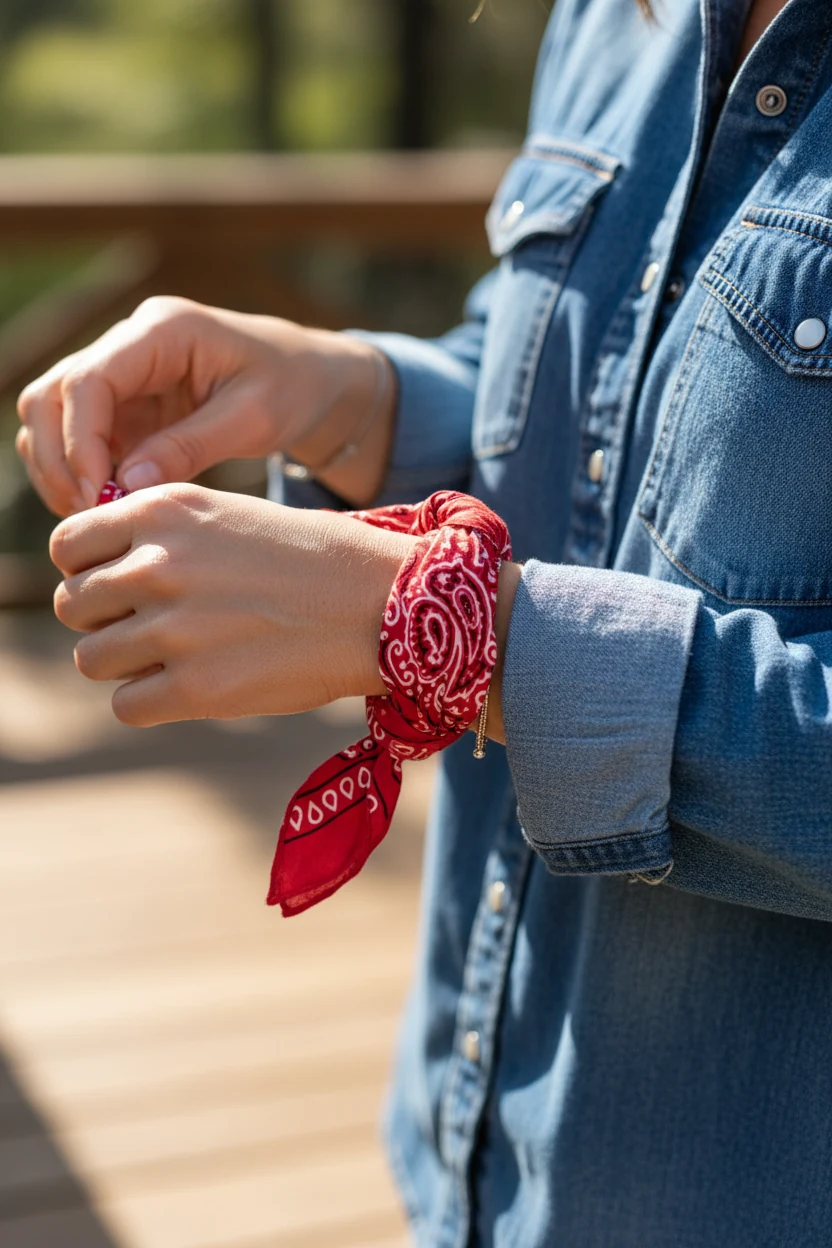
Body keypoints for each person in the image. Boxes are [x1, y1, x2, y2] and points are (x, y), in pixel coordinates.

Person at [16, 0, 832, 1242]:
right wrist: (351, 399)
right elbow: (604, 426)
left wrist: (453, 626)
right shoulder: (626, 19)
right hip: (477, 1157)